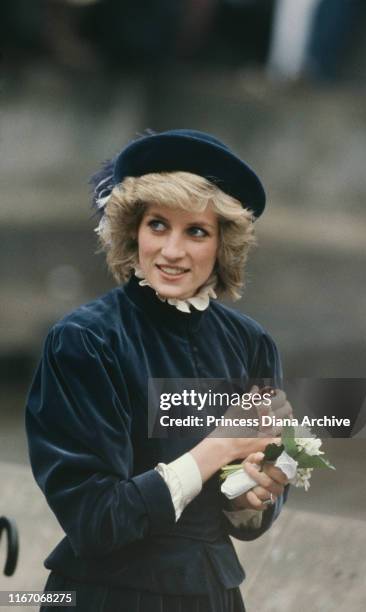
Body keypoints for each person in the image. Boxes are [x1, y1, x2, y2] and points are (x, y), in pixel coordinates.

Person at [26, 129, 291, 612]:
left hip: (213, 594)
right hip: (106, 596)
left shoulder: (252, 344)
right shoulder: (85, 341)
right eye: (157, 225)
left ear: (222, 244)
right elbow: (95, 518)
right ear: (133, 230)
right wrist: (221, 447)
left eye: (196, 231)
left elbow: (245, 502)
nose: (172, 251)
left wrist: (253, 491)